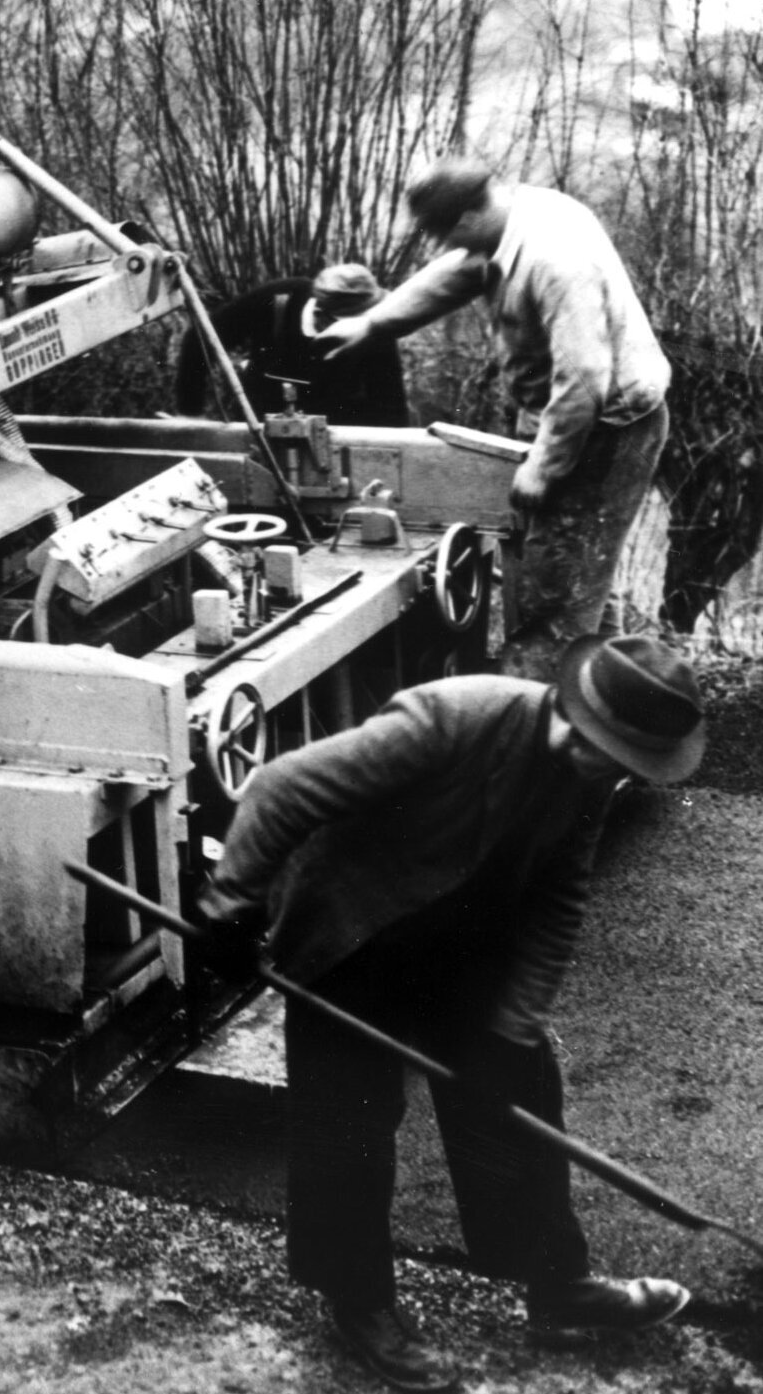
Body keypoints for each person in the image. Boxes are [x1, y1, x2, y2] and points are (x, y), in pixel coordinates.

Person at [196, 633, 704, 1393]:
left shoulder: (592, 776)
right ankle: (360, 1301)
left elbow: (560, 898)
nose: (620, 772)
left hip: (468, 943)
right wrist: (231, 903)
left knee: (523, 1094)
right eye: (616, 753)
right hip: (357, 932)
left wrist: (515, 1022)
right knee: (350, 1126)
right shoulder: (450, 717)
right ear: (578, 718)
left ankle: (555, 1283)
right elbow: (279, 786)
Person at [312, 158, 670, 680]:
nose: (441, 247)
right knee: (578, 577)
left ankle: (538, 732)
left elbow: (585, 381)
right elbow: (454, 273)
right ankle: (606, 706)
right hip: (563, 417)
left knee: (553, 596)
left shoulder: (555, 256)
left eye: (441, 234)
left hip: (607, 428)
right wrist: (371, 323)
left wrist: (543, 467)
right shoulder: (510, 218)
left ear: (464, 219)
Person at [174, 263, 410, 423]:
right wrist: (190, 412)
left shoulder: (375, 329)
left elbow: (391, 404)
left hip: (339, 431)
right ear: (322, 314)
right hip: (262, 422)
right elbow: (201, 340)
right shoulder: (277, 299)